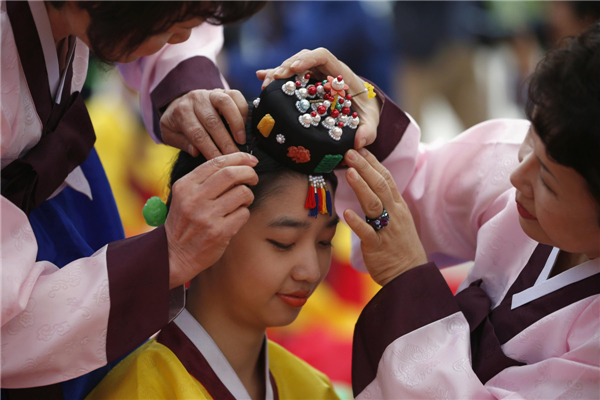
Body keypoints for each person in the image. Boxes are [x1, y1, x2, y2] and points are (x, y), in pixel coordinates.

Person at [260, 22, 600, 399]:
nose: (518, 175)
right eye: (529, 142)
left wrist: (407, 280)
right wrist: (361, 116)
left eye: (549, 183)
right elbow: (413, 188)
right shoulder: (514, 169)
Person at [1, 1, 265, 397]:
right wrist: (166, 256)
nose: (183, 38)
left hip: (72, 191)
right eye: (175, 23)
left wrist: (185, 87)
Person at [84, 72, 386, 400]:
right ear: (209, 230)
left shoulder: (313, 389)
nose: (311, 271)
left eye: (324, 242)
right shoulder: (141, 392)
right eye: (283, 243)